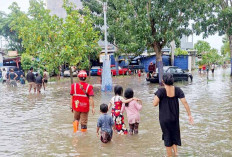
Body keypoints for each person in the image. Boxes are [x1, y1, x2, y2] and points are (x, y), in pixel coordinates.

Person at [153, 73, 194, 157]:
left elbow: (155, 104)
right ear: (173, 81)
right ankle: (176, 153)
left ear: (163, 81)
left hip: (164, 119)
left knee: (167, 138)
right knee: (174, 134)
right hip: (174, 118)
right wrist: (189, 115)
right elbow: (185, 102)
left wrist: (157, 95)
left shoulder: (161, 91)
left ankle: (170, 155)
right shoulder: (178, 90)